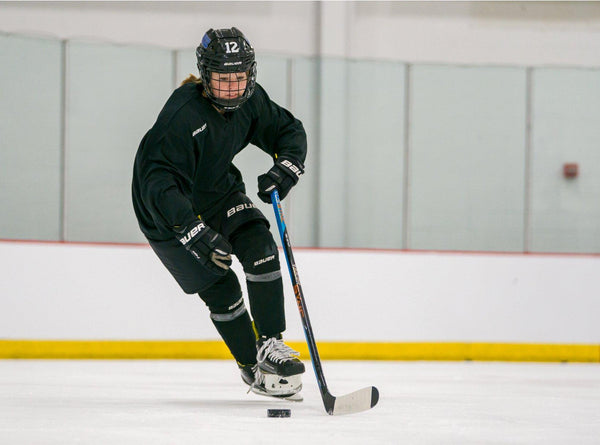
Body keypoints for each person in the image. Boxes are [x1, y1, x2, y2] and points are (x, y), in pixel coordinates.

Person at [131, 27, 307, 399]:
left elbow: (287, 130)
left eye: (239, 78)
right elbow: (157, 184)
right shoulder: (181, 115)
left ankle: (271, 345)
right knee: (222, 286)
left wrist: (287, 167)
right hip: (165, 212)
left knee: (260, 245)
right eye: (222, 79)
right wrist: (193, 230)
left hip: (217, 191)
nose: (232, 88)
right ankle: (250, 365)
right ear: (205, 76)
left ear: (250, 75)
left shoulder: (251, 101)